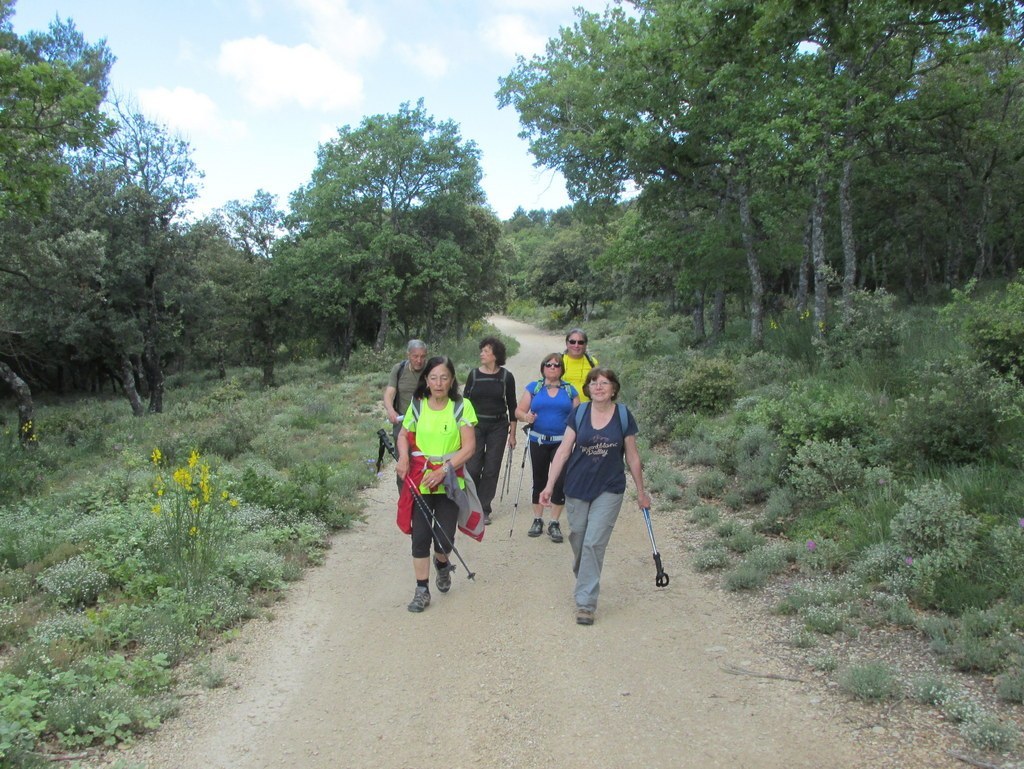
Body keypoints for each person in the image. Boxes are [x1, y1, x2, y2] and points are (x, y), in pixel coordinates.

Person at [539, 367, 650, 626]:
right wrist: (548, 485)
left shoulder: (623, 416)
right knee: (577, 536)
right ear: (588, 389)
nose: (598, 387)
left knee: (593, 543)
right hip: (577, 485)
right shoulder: (578, 413)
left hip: (609, 488)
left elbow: (632, 456)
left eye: (604, 383)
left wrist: (642, 493)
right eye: (593, 383)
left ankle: (585, 603)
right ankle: (586, 576)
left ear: (613, 389)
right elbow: (564, 450)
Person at [396, 356, 477, 613]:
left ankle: (442, 564)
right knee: (420, 536)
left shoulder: (462, 406)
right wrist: (403, 456)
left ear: (452, 380)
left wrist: (443, 471)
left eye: (444, 377)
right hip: (420, 479)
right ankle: (422, 589)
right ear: (426, 381)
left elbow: (469, 448)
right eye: (433, 377)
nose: (439, 383)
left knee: (444, 538)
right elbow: (403, 435)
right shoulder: (418, 405)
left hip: (451, 480)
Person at [514, 353, 580, 543]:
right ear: (543, 368)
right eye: (549, 365)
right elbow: (519, 411)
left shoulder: (570, 390)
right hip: (538, 440)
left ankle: (554, 522)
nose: (552, 368)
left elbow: (579, 416)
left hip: (563, 442)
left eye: (556, 365)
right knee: (539, 478)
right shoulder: (534, 388)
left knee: (560, 481)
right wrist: (526, 418)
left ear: (561, 369)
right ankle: (537, 519)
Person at [463, 336, 518, 526]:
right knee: (472, 467)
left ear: (495, 355)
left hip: (498, 426)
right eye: (482, 350)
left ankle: (484, 508)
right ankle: (472, 504)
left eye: (486, 351)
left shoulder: (506, 377)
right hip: (475, 426)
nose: (482, 354)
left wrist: (512, 434)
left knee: (492, 469)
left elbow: (512, 406)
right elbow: (464, 402)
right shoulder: (474, 375)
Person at [383, 340, 428, 444]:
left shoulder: (432, 370)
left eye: (422, 356)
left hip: (427, 421)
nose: (419, 360)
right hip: (403, 421)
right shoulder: (399, 369)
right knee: (403, 456)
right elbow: (389, 392)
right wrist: (390, 410)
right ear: (408, 355)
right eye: (415, 356)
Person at [561, 328, 598, 403]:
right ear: (566, 343)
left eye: (580, 342)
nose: (576, 345)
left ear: (585, 344)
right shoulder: (558, 361)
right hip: (562, 407)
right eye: (572, 342)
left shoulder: (592, 362)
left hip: (585, 407)